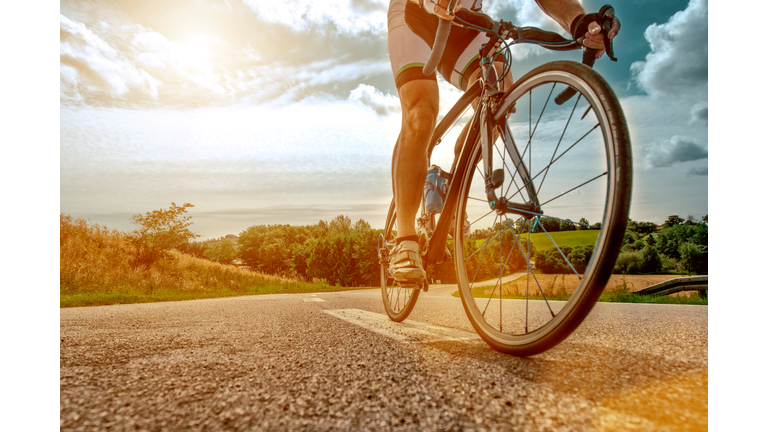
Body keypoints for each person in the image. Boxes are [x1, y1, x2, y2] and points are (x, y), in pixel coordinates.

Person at [386, 0, 620, 285]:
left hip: (464, 22)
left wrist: (580, 22)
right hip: (416, 14)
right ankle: (405, 238)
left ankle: (451, 184)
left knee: (499, 97)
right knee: (421, 114)